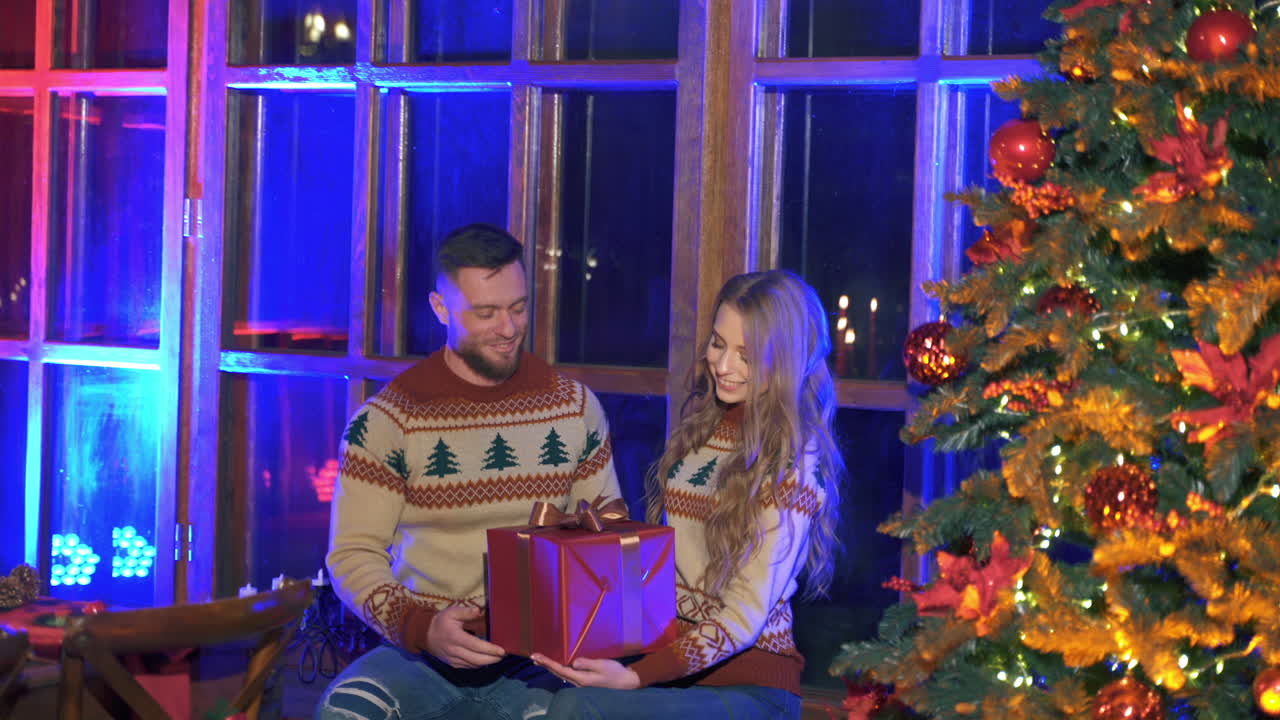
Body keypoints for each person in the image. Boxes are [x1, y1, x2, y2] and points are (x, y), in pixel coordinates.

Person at [316, 223, 623, 720]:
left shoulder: (575, 408)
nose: (508, 328)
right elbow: (351, 556)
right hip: (420, 654)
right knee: (348, 710)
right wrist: (422, 627)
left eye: (518, 307)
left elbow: (606, 535)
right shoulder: (388, 421)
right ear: (440, 308)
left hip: (541, 660)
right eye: (486, 312)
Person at [532, 269, 844, 719]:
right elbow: (674, 571)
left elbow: (743, 617)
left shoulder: (794, 461)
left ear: (789, 361)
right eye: (718, 343)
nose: (723, 366)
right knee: (549, 693)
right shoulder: (705, 428)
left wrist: (637, 677)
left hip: (752, 686)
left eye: (748, 354)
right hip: (677, 670)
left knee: (578, 709)